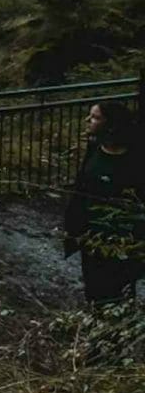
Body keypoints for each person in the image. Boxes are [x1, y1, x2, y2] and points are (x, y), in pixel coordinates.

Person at [63, 99, 145, 308]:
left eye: (95, 117)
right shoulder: (95, 148)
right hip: (92, 234)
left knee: (118, 288)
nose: (88, 120)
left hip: (123, 236)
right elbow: (82, 188)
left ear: (111, 124)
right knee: (94, 288)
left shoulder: (135, 157)